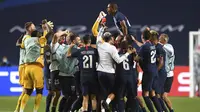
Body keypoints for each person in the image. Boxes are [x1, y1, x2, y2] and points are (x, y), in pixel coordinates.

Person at [96, 26, 134, 111]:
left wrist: (102, 28)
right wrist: (127, 53)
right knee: (114, 92)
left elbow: (98, 36)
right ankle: (108, 103)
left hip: (100, 72)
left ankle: (103, 110)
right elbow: (119, 60)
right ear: (110, 39)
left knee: (103, 92)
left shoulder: (99, 44)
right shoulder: (112, 48)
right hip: (109, 73)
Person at [67, 35, 99, 112]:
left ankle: (84, 110)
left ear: (83, 41)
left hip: (83, 76)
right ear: (90, 41)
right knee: (93, 97)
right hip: (93, 75)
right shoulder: (95, 51)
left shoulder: (80, 51)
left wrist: (70, 47)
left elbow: (68, 55)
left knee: (85, 97)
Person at [136, 29, 162, 112]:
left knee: (145, 94)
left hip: (148, 72)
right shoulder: (152, 45)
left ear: (142, 37)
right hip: (154, 70)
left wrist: (132, 53)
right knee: (152, 93)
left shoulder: (144, 46)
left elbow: (137, 58)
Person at [14, 22, 36, 112]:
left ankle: (18, 110)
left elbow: (17, 44)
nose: (34, 27)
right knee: (26, 90)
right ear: (29, 28)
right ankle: (18, 110)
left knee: (28, 90)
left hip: (26, 65)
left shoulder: (26, 37)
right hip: (24, 65)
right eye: (33, 26)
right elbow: (19, 44)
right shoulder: (26, 38)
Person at [150, 30, 168, 112]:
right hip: (158, 72)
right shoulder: (155, 47)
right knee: (155, 94)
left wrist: (155, 71)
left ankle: (163, 110)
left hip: (160, 73)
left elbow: (161, 63)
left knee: (156, 94)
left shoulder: (159, 48)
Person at [159, 33, 175, 112]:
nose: (158, 39)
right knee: (159, 96)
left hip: (169, 75)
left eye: (160, 38)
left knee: (164, 96)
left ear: (164, 40)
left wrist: (161, 44)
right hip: (162, 75)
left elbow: (171, 52)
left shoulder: (169, 46)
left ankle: (171, 110)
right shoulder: (161, 47)